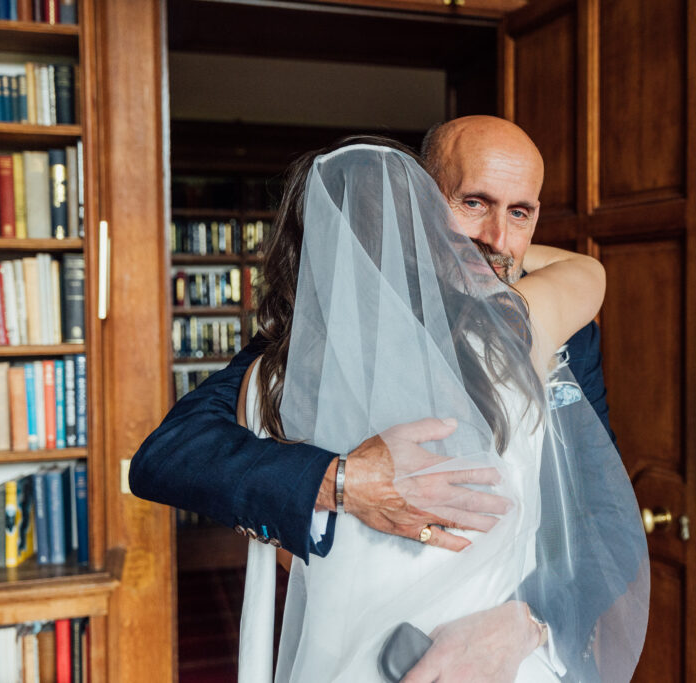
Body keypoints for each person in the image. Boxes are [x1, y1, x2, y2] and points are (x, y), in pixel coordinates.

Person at [129, 118, 630, 677]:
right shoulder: (296, 352)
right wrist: (339, 480)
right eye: (472, 202)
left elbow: (602, 515)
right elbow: (169, 455)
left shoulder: (549, 330)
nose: (498, 238)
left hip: (506, 647)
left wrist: (533, 620)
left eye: (521, 213)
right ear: (420, 205)